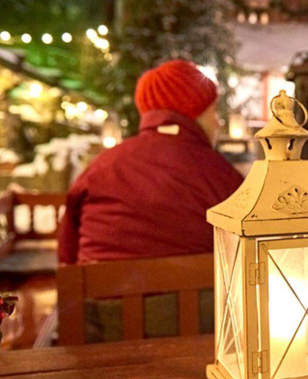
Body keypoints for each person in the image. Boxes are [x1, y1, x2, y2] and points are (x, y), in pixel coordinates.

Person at [57, 59, 243, 341]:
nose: (218, 122)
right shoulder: (221, 175)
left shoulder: (101, 167)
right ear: (192, 112)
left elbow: (67, 256)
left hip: (103, 332)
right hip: (200, 337)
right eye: (214, 110)